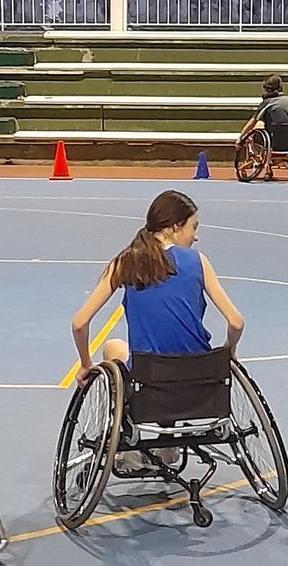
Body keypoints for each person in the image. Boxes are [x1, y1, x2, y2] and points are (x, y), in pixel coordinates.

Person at [70, 190, 244, 470]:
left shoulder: (125, 262)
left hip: (149, 382)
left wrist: (86, 364)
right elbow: (236, 322)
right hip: (200, 381)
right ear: (176, 226)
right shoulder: (198, 261)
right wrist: (229, 353)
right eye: (193, 227)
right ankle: (168, 448)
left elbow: (80, 322)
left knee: (114, 347)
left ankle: (128, 445)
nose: (195, 236)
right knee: (174, 353)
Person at [237, 74, 288, 180]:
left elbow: (252, 121)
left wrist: (241, 138)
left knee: (255, 128)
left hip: (273, 141)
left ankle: (257, 157)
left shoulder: (266, 103)